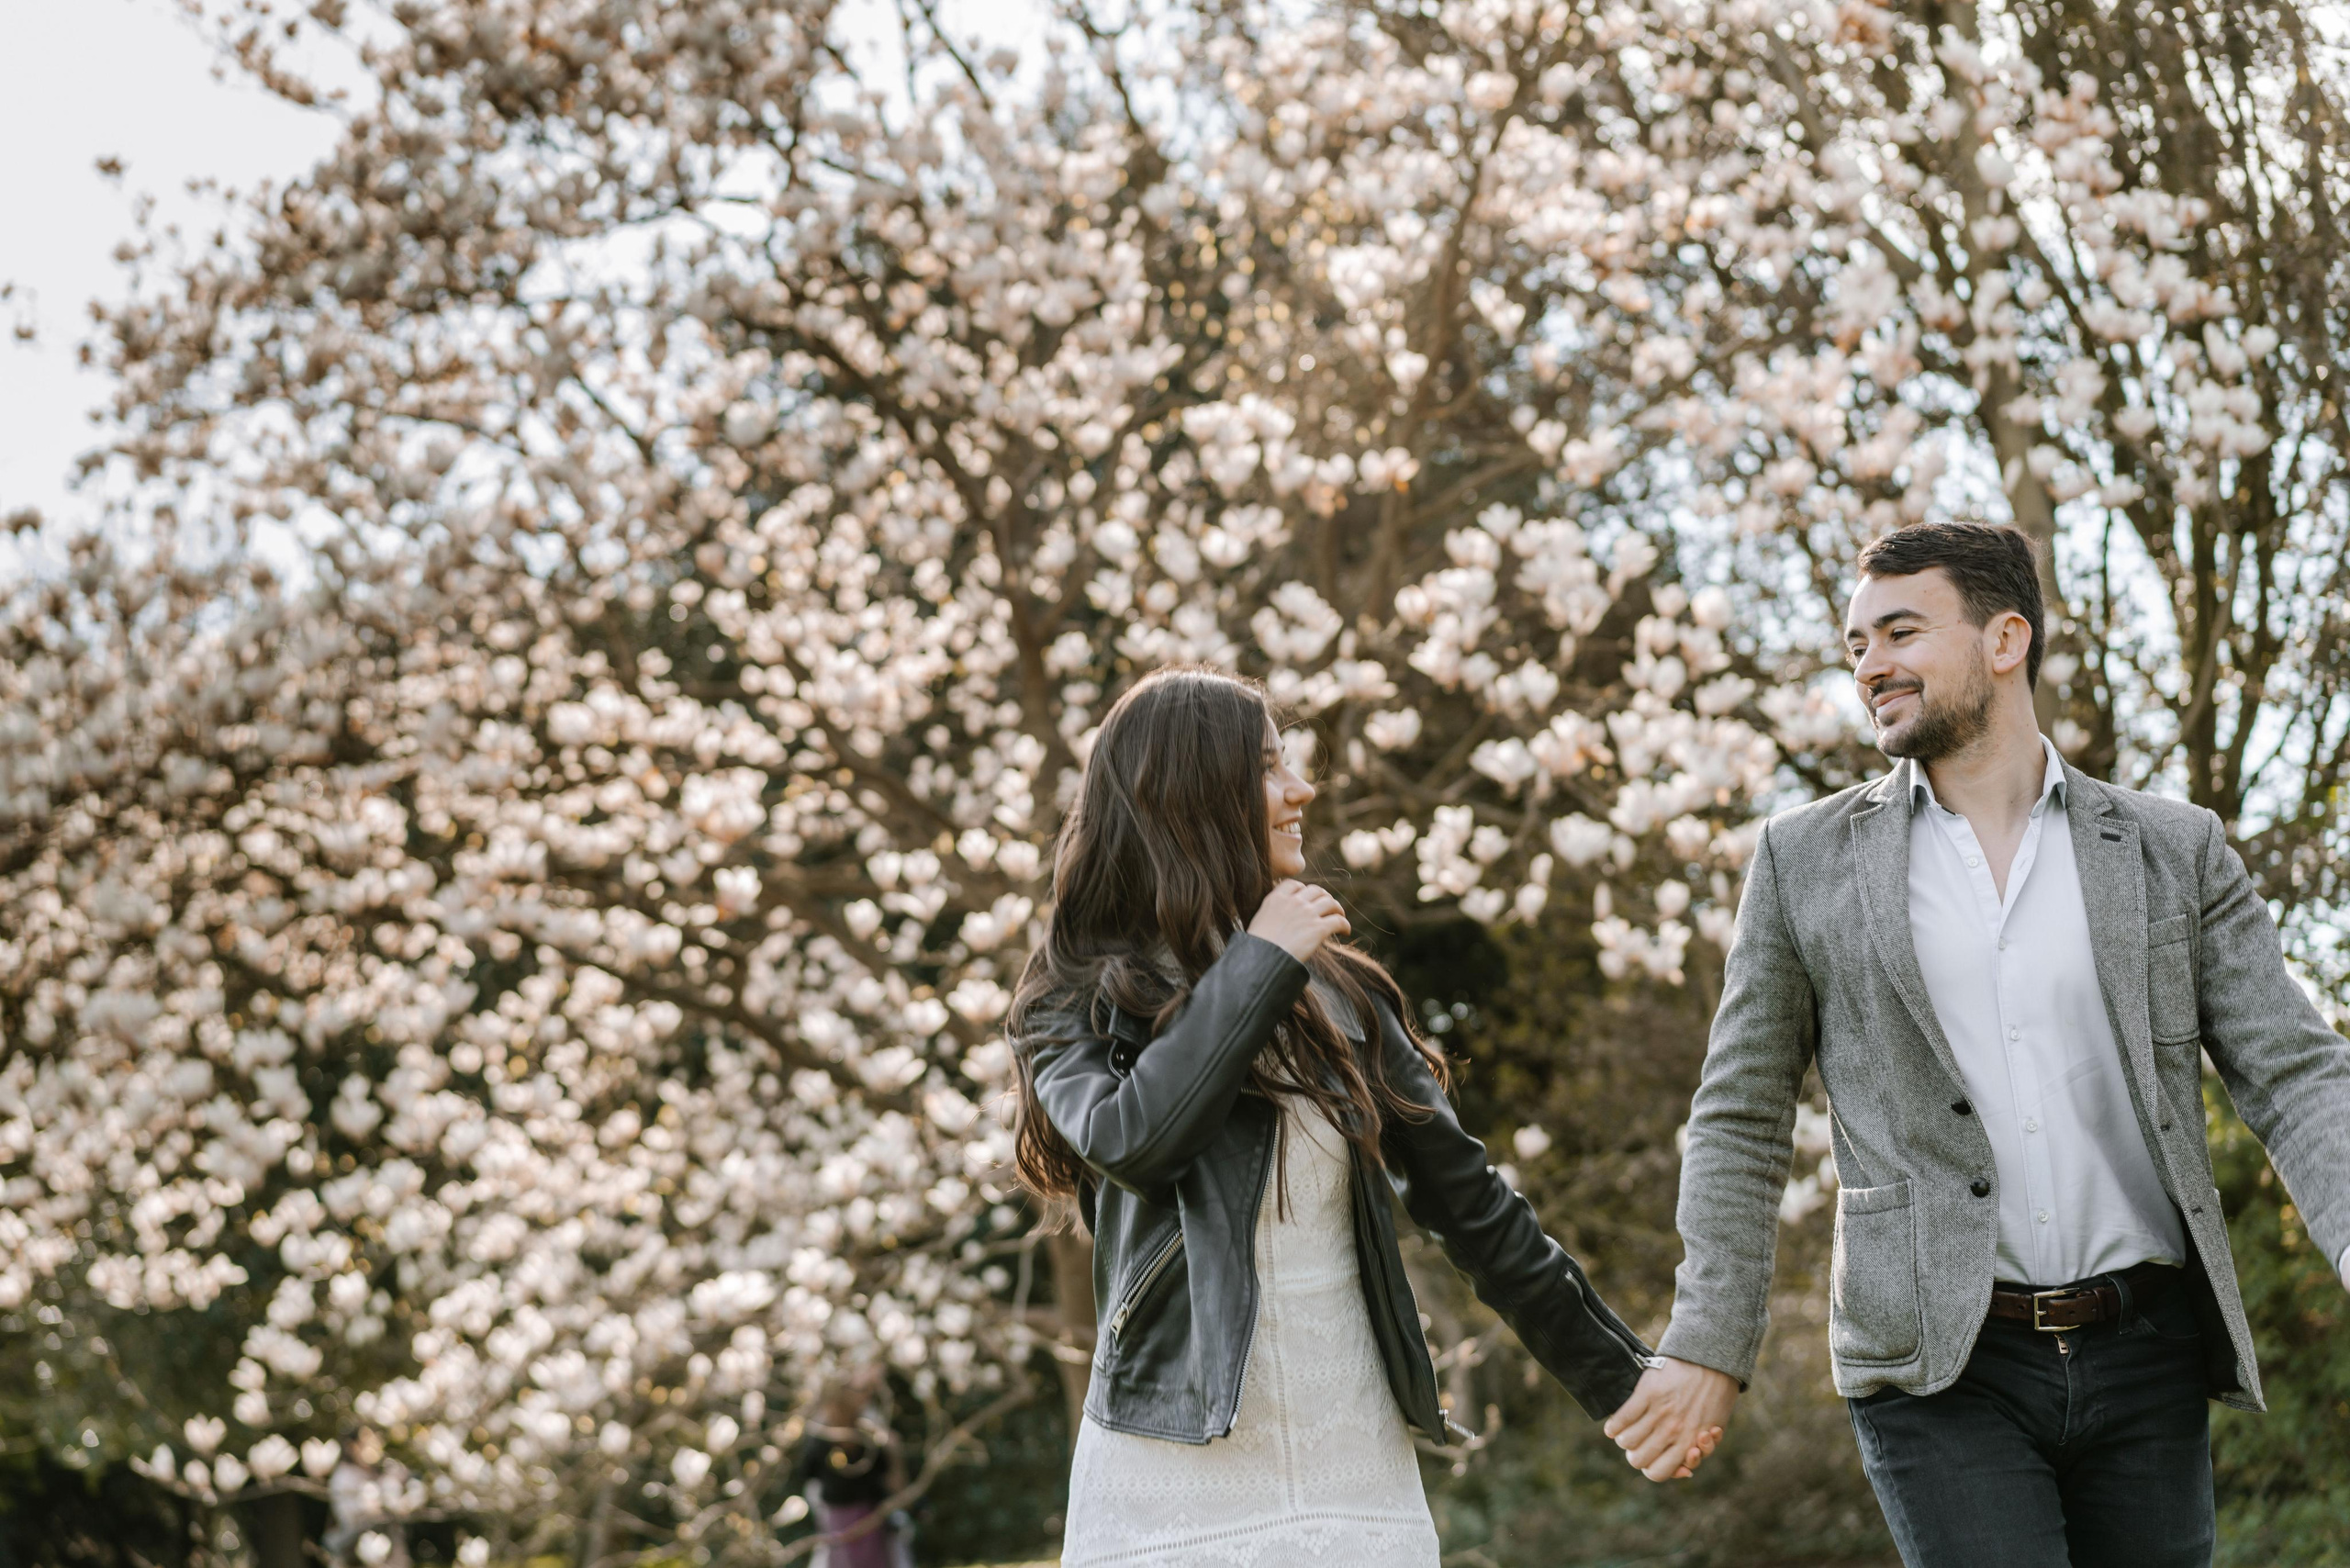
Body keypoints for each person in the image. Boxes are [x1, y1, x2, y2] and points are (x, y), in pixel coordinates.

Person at [1605, 521, 2350, 1565]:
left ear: (2005, 640)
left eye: (1900, 632)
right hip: (1936, 1368)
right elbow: (1740, 1116)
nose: (1870, 665)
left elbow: (2292, 1068)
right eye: (1857, 643)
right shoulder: (1800, 860)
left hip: (2148, 1348)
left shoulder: (2173, 849)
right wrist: (1708, 1337)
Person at [1008, 665, 1707, 1568]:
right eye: (1268, 768)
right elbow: (1135, 1141)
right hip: (1169, 1475)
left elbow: (1473, 1208)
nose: (1301, 788)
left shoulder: (1342, 998)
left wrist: (1622, 1379)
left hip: (1356, 1465)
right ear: (1191, 794)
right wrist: (1261, 961)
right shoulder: (1076, 997)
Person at [794, 1367, 914, 1568]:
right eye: (861, 1389)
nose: (867, 1396)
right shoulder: (820, 1434)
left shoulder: (871, 1431)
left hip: (872, 1522)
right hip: (838, 1524)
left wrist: (894, 1452)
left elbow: (896, 1485)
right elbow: (808, 1476)